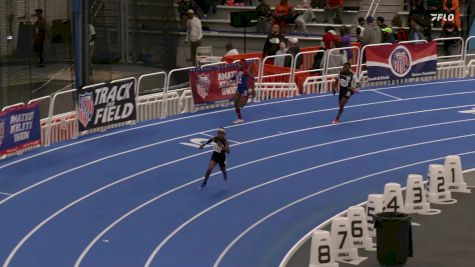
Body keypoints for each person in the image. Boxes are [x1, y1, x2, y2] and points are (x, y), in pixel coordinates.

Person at [231, 59, 254, 124]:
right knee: (235, 103)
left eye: (240, 64)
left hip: (244, 90)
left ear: (243, 65)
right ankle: (240, 118)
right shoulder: (238, 71)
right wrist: (229, 80)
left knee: (242, 105)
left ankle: (248, 95)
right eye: (238, 64)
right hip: (239, 89)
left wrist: (252, 89)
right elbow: (233, 77)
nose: (238, 65)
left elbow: (252, 78)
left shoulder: (246, 72)